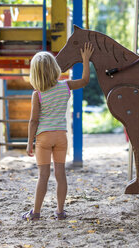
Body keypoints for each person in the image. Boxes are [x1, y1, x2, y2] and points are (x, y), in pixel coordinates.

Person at [22, 43, 94, 221]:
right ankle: (60, 211)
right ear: (54, 68)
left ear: (35, 73)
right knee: (60, 175)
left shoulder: (37, 94)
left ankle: (36, 213)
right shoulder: (65, 86)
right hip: (61, 136)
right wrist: (85, 60)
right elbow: (85, 81)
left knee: (43, 176)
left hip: (44, 138)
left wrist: (30, 142)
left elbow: (34, 121)